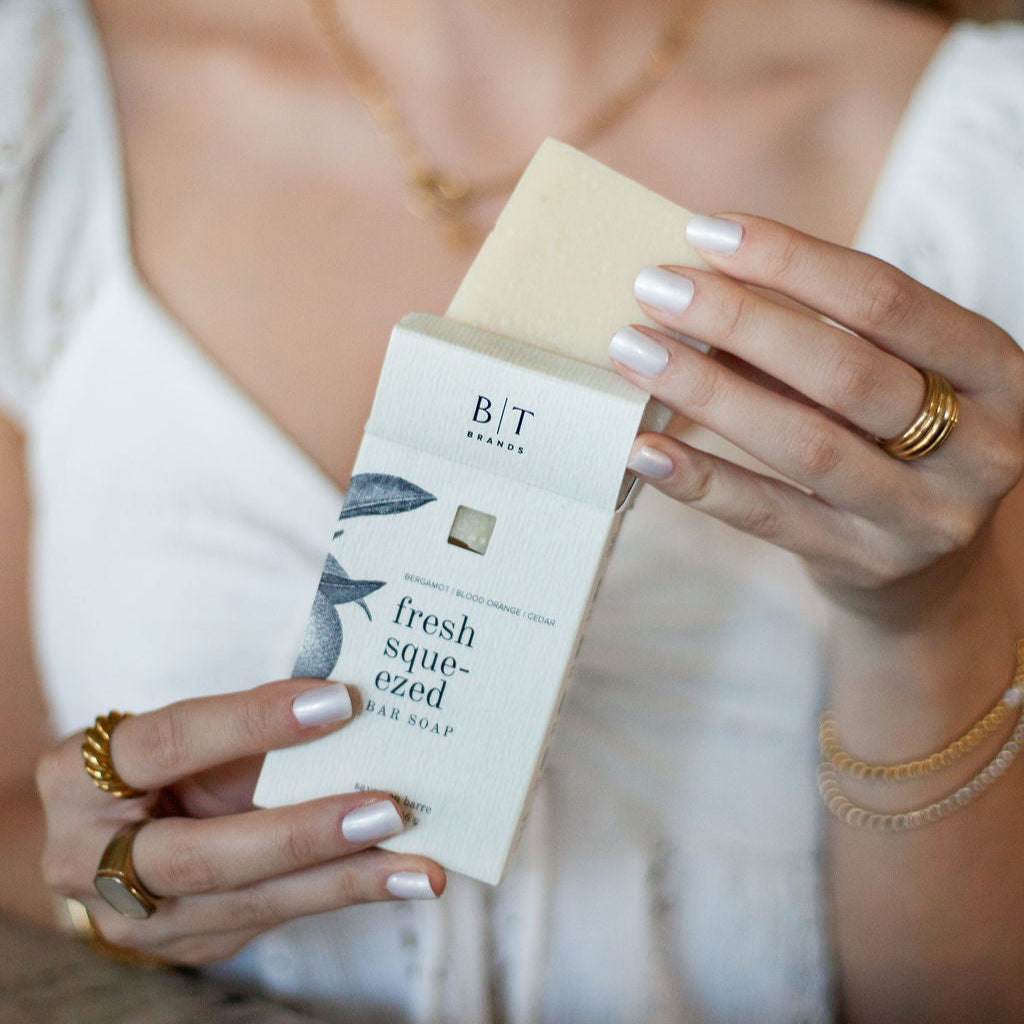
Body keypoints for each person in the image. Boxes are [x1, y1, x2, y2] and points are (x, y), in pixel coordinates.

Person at [2, 0, 1023, 1020]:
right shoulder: (41, 112)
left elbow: (959, 1000)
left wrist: (926, 613)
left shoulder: (980, 158)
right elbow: (17, 817)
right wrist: (101, 896)